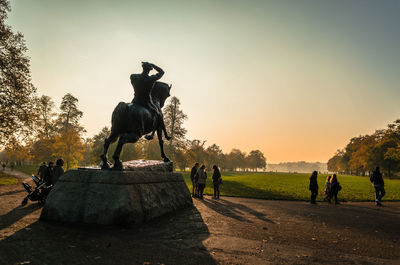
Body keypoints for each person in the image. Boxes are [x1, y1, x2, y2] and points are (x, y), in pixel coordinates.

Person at [130, 62, 170, 140]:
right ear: (149, 70)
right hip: (146, 102)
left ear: (143, 68)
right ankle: (164, 134)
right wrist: (153, 65)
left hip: (135, 101)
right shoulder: (151, 79)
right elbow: (162, 72)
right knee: (158, 114)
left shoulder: (133, 76)